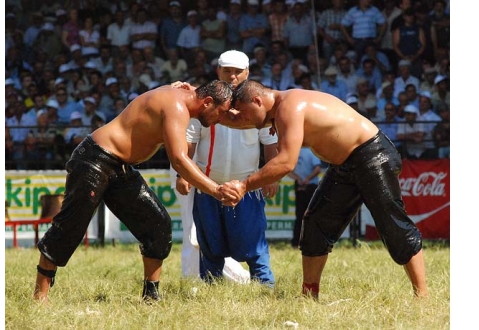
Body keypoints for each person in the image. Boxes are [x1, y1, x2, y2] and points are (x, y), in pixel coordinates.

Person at [33, 80, 239, 303]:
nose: (221, 119)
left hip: (119, 167)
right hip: (94, 160)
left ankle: (151, 296)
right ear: (208, 102)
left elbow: (196, 89)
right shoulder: (177, 106)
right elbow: (179, 160)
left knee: (157, 224)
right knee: (70, 227)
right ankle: (39, 295)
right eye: (222, 112)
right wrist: (216, 190)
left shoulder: (186, 92)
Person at [218, 79, 428, 299]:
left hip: (373, 155)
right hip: (345, 164)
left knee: (391, 223)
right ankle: (309, 296)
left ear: (257, 100)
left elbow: (286, 163)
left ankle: (422, 296)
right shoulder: (276, 109)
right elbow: (236, 119)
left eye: (244, 112)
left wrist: (243, 186)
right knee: (316, 223)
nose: (244, 119)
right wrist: (202, 105)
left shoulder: (290, 107)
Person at [171, 50, 278, 287]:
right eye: (227, 71)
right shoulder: (206, 101)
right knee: (210, 243)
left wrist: (272, 176)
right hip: (208, 186)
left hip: (247, 187)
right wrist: (183, 175)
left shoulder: (256, 101)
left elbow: (270, 142)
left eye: (238, 72)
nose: (232, 76)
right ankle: (213, 288)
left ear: (247, 73)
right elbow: (190, 139)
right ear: (218, 71)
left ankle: (265, 286)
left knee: (254, 242)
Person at [287, 147, 322, 248]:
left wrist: (301, 179)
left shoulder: (296, 152)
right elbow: (318, 169)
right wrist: (304, 180)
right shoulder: (310, 151)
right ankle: (303, 242)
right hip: (305, 185)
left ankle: (298, 242)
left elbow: (317, 169)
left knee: (302, 215)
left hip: (307, 185)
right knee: (308, 215)